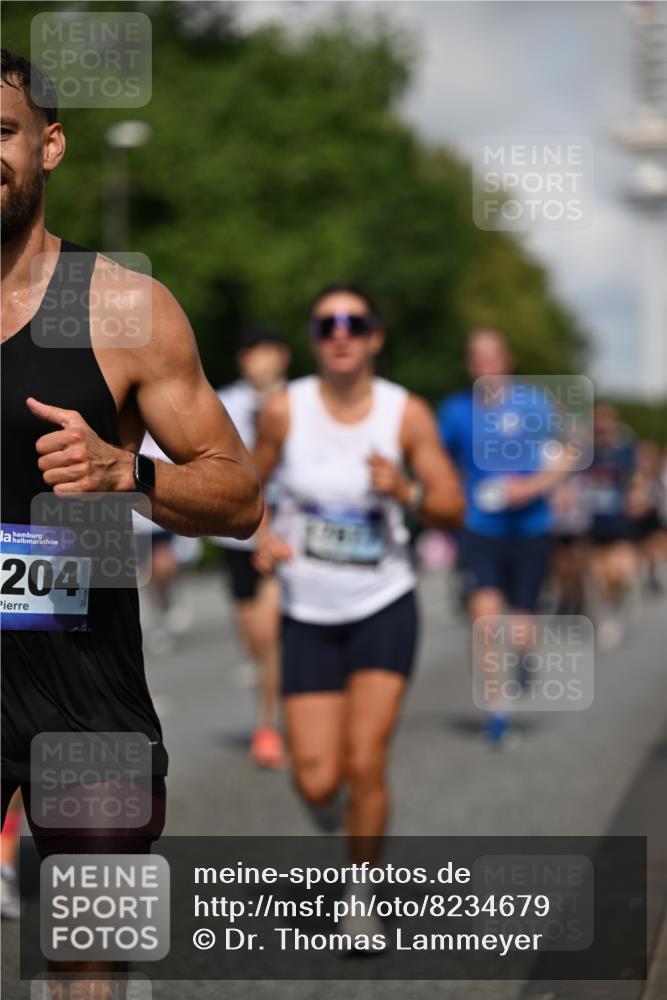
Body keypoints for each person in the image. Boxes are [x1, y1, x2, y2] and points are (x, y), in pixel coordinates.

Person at [1, 49, 262, 990]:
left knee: (87, 955)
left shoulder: (122, 309)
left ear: (50, 146)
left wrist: (130, 474)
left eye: (2, 132)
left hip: (85, 684)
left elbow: (240, 496)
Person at [252, 282, 463, 943]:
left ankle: (359, 893)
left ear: (374, 336)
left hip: (382, 606)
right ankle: (331, 809)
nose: (340, 333)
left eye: (354, 322)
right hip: (307, 612)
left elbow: (452, 507)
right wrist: (260, 537)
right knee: (316, 779)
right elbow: (238, 490)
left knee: (365, 760)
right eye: (325, 325)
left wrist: (405, 490)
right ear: (315, 341)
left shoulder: (405, 415)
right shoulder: (286, 411)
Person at [438, 329, 576, 745]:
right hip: (480, 529)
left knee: (520, 629)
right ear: (470, 365)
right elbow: (437, 462)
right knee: (484, 620)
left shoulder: (534, 402)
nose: (486, 366)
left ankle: (524, 656)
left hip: (531, 528)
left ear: (507, 361)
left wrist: (532, 487)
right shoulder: (455, 411)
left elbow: (570, 451)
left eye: (492, 358)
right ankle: (497, 713)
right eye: (477, 359)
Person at [212, 327, 291, 769]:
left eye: (260, 352)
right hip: (237, 536)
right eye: (246, 354)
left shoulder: (303, 401)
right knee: (255, 643)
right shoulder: (225, 402)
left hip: (285, 539)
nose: (253, 362)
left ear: (281, 355)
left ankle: (268, 726)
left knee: (272, 635)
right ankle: (282, 699)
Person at [584, 403, 639, 648]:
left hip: (619, 519)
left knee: (619, 572)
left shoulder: (624, 450)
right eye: (599, 421)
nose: (603, 426)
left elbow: (636, 478)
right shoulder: (587, 452)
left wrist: (637, 495)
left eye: (607, 420)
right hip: (593, 520)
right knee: (598, 576)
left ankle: (618, 606)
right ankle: (606, 615)